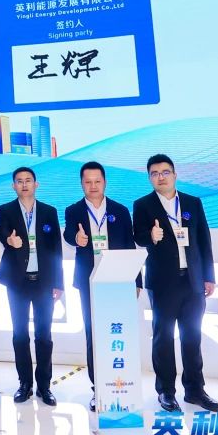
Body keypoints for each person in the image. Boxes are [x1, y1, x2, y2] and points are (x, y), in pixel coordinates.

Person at [132, 154, 218, 414]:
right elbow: (137, 237)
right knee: (163, 338)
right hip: (163, 283)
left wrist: (209, 276)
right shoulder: (143, 205)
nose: (160, 177)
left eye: (165, 172)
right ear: (149, 178)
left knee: (192, 337)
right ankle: (166, 391)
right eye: (154, 173)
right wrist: (150, 236)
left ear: (174, 174)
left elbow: (203, 239)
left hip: (193, 280)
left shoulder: (193, 203)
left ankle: (195, 390)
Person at [62, 161, 137, 411]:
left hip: (117, 282)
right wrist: (77, 238)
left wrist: (136, 281)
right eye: (88, 182)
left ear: (105, 182)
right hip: (89, 282)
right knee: (93, 335)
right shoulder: (73, 210)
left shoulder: (120, 210)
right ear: (81, 184)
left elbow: (130, 245)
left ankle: (120, 386)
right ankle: (99, 389)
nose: (93, 186)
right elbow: (68, 235)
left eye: (97, 181)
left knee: (117, 335)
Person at [0, 166, 64, 405]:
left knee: (44, 336)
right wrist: (9, 239)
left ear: (36, 184)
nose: (24, 184)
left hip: (44, 282)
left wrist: (58, 282)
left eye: (28, 180)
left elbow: (56, 248)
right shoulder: (6, 210)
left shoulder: (49, 211)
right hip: (18, 282)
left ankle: (44, 386)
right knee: (20, 335)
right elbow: (2, 232)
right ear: (13, 186)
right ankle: (24, 384)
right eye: (19, 181)